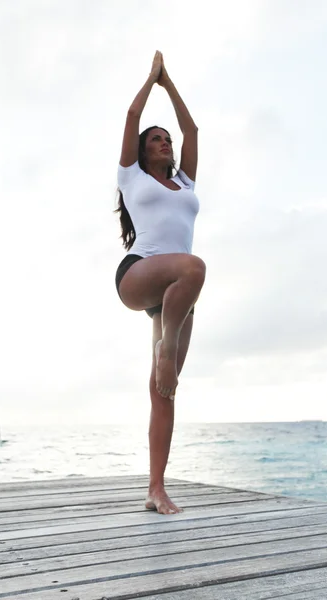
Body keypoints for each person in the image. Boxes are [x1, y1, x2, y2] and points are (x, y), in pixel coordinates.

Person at [114, 51, 206, 514]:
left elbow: (192, 132)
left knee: (163, 392)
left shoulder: (185, 184)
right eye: (156, 139)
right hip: (138, 275)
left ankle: (156, 488)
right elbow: (132, 115)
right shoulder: (132, 176)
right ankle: (164, 350)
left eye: (166, 139)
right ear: (142, 149)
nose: (165, 142)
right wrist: (154, 80)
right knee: (195, 266)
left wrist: (175, 89)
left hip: (174, 298)